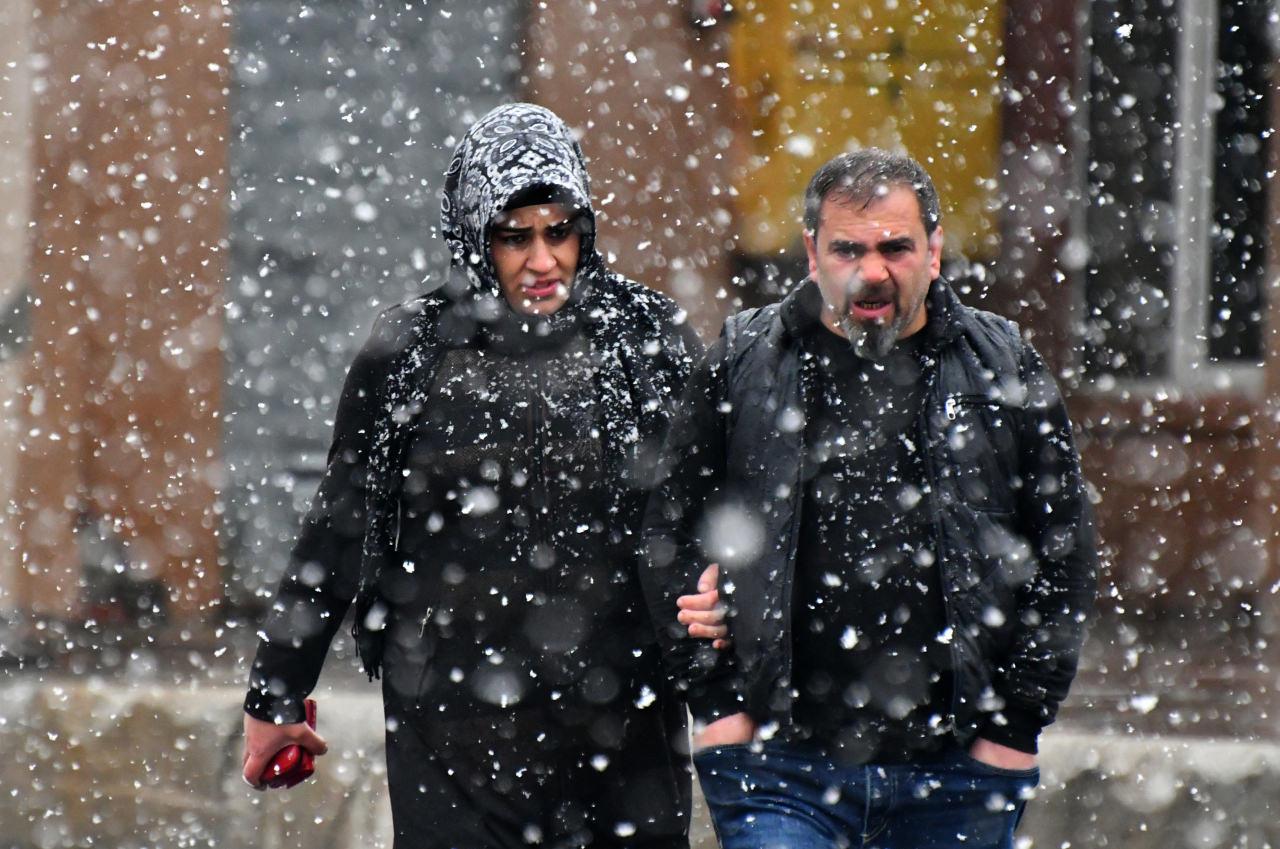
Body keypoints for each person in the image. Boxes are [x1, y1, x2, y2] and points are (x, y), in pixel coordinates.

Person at [241, 103, 707, 849]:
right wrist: (274, 690)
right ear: (472, 235)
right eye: (513, 237)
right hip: (454, 731)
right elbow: (341, 522)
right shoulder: (413, 352)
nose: (543, 259)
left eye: (560, 231)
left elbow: (708, 516)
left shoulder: (645, 341)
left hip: (623, 724)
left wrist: (730, 668)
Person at [642, 148, 1097, 848]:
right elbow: (670, 527)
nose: (873, 270)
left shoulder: (1000, 363)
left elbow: (1064, 551)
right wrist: (719, 701)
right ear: (811, 253)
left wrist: (1014, 724)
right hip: (780, 766)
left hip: (958, 772)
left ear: (935, 251)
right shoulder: (744, 359)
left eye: (896, 247)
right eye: (849, 248)